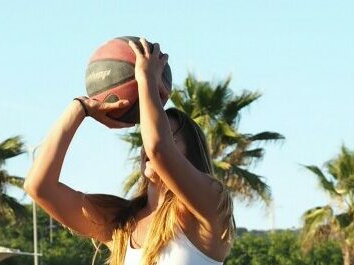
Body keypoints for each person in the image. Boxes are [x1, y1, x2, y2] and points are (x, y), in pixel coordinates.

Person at [24, 38, 235, 265]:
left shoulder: (211, 207)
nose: (149, 146)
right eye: (145, 140)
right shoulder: (121, 223)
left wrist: (145, 79)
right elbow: (39, 187)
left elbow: (158, 148)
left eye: (172, 138)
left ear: (192, 152)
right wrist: (80, 108)